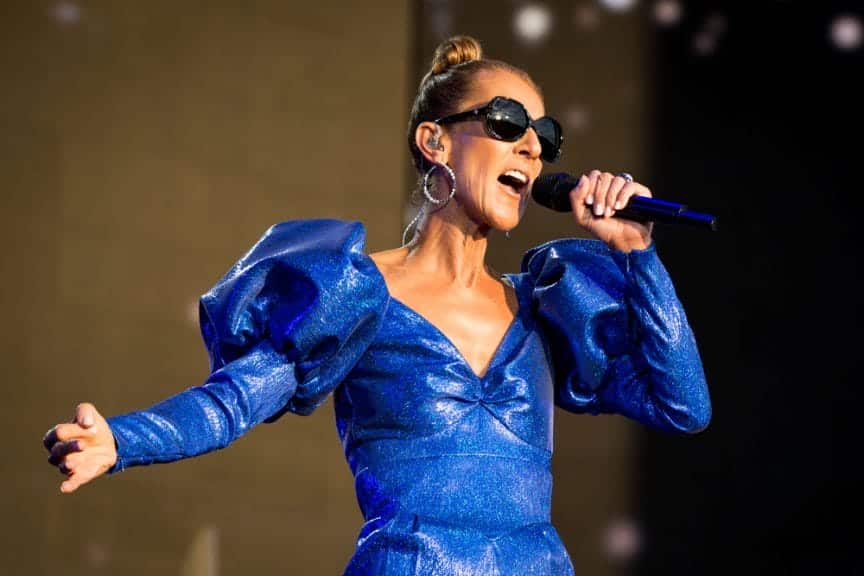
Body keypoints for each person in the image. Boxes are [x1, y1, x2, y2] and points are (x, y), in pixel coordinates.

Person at [42, 35, 711, 575]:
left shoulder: (541, 309)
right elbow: (234, 400)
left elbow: (684, 406)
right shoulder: (359, 295)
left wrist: (636, 253)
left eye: (544, 136)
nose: (532, 148)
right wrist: (119, 441)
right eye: (507, 123)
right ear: (434, 141)